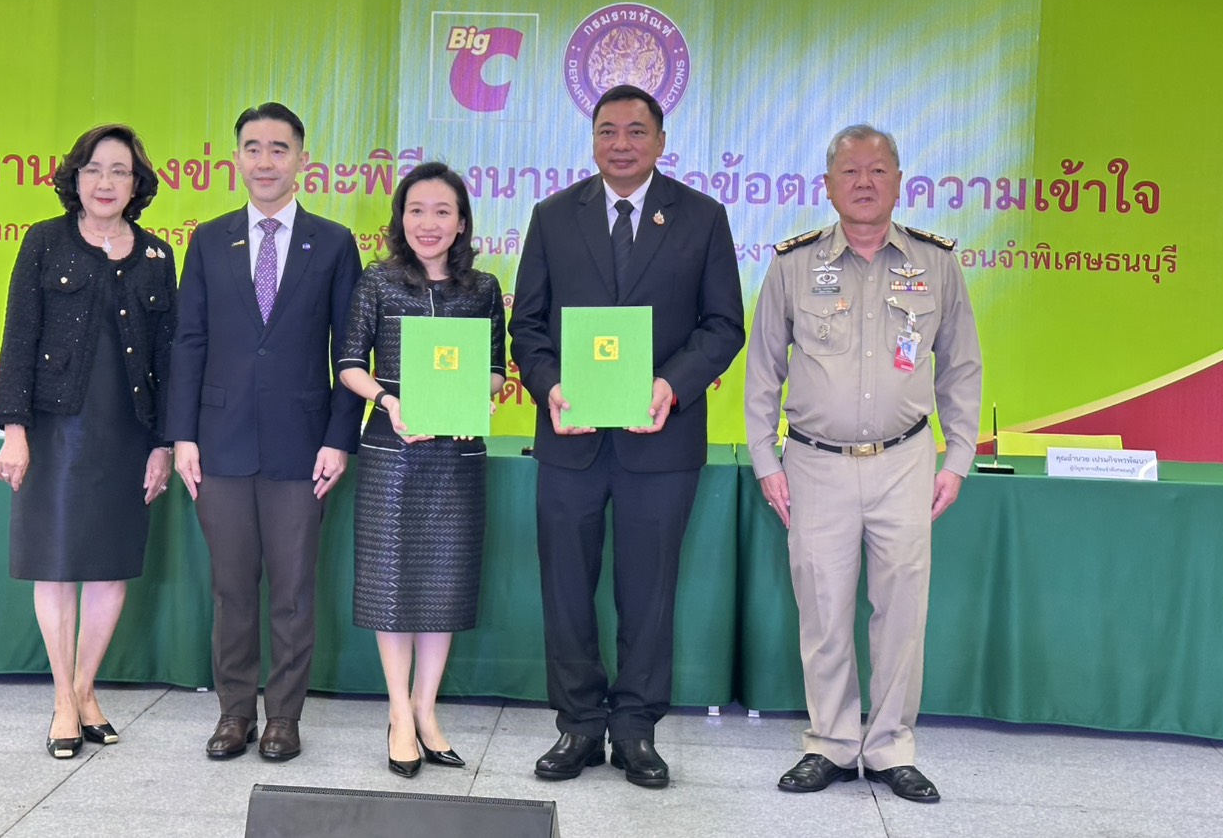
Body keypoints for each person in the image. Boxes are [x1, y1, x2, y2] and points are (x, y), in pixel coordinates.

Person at [509, 83, 745, 789]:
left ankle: (637, 728)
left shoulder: (702, 217)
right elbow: (528, 325)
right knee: (566, 587)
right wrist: (550, 386)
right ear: (591, 141)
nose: (621, 143)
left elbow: (722, 325)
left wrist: (671, 384)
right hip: (570, 438)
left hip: (660, 438)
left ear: (660, 141)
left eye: (636, 131)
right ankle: (579, 725)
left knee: (649, 591)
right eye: (607, 130)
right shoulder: (553, 216)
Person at [743, 124, 981, 804]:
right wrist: (766, 461)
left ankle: (890, 747)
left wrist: (958, 458)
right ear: (828, 186)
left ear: (899, 181)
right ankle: (830, 741)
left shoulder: (935, 263)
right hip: (814, 462)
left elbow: (961, 368)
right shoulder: (793, 265)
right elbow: (762, 373)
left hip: (905, 461)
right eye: (850, 172)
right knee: (822, 608)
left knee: (901, 610)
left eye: (878, 170)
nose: (864, 182)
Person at [167, 102, 364, 762]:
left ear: (302, 160)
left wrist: (339, 437)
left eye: (279, 148)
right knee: (231, 590)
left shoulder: (333, 242)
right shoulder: (208, 239)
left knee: (293, 592)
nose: (265, 160)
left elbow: (349, 351)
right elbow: (189, 341)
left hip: (302, 447)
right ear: (236, 159)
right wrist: (182, 435)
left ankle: (283, 717)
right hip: (218, 443)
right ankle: (233, 713)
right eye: (252, 147)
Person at [0, 123, 177, 759]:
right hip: (55, 429)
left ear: (137, 183)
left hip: (128, 432)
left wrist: (164, 444)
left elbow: (170, 358)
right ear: (75, 177)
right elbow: (18, 337)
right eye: (94, 169)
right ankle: (64, 703)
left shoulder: (158, 255)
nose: (106, 182)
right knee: (57, 564)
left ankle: (84, 688)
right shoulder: (45, 241)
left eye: (120, 171)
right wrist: (14, 431)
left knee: (109, 566)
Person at [336, 162, 506, 778]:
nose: (427, 223)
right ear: (400, 219)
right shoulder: (378, 280)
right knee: (393, 587)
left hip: (456, 456)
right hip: (393, 450)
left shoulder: (482, 288)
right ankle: (398, 714)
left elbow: (497, 368)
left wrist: (476, 398)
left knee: (444, 585)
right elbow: (349, 364)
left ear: (461, 222)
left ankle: (426, 711)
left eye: (442, 211)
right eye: (416, 210)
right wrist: (388, 400)